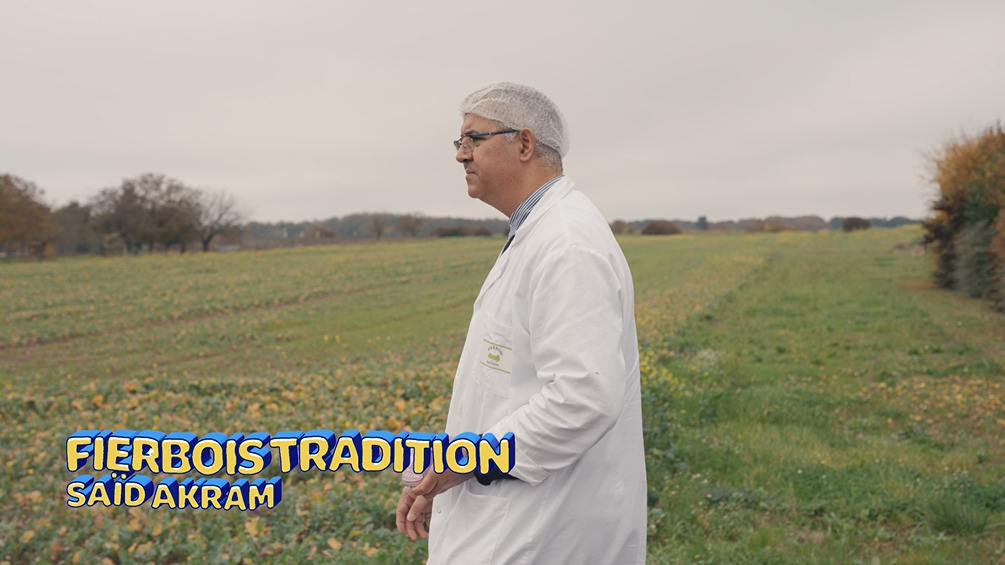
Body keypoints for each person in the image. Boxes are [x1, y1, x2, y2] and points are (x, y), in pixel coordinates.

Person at [395, 82, 646, 564]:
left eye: (474, 140)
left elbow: (583, 397)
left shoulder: (567, 244)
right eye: (459, 143)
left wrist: (462, 462)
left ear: (525, 144)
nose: (460, 155)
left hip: (540, 534)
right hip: (520, 522)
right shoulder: (539, 233)